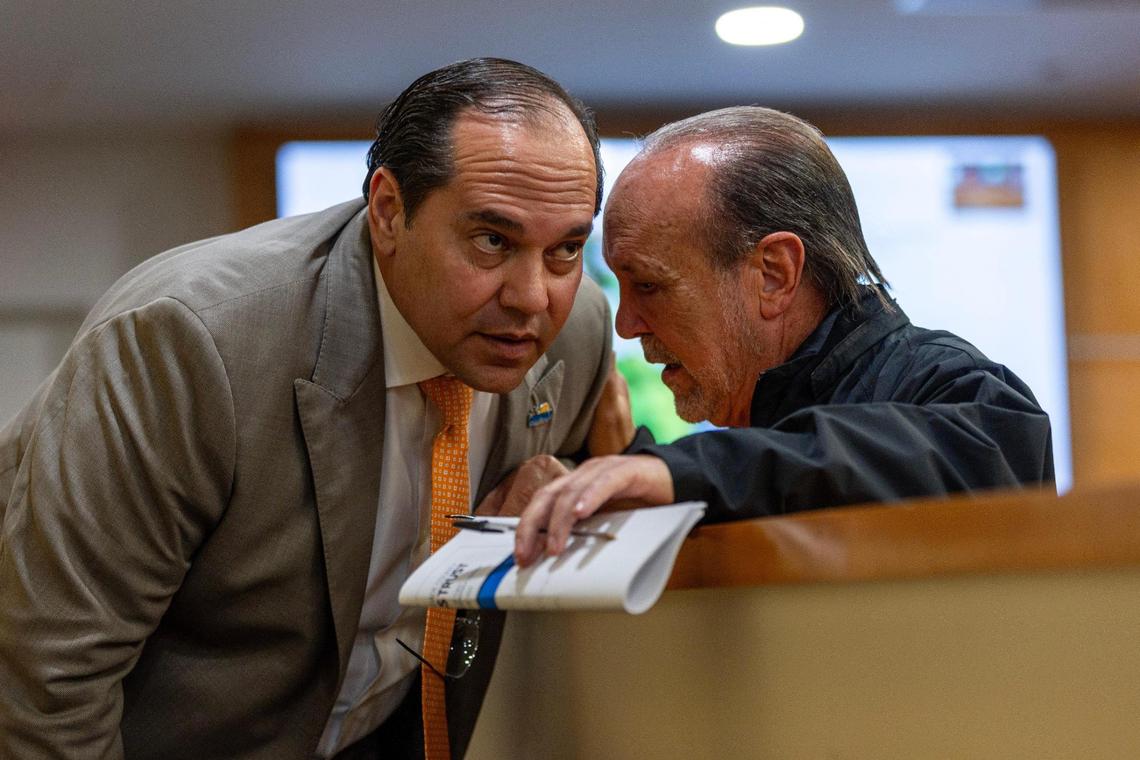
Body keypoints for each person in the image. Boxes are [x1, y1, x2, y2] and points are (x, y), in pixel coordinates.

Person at [0, 58, 631, 759]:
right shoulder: (191, 342)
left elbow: (579, 469)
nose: (533, 297)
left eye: (568, 249)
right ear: (389, 210)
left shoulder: (573, 335)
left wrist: (567, 485)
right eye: (492, 241)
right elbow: (48, 685)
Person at [501, 106, 1054, 566]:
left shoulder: (956, 387)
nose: (626, 324)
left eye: (649, 284)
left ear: (774, 274)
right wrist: (616, 468)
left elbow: (985, 460)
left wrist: (677, 473)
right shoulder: (760, 425)